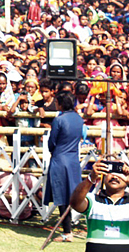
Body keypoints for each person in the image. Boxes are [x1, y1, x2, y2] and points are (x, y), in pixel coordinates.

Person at [70, 156, 129, 252]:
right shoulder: (92, 200)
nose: (114, 176)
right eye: (111, 172)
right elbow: (75, 203)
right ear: (103, 176)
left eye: (120, 173)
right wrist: (91, 177)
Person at [43, 90, 83, 242]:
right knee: (72, 195)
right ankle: (68, 230)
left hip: (60, 159)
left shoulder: (59, 120)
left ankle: (67, 232)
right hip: (73, 159)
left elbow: (51, 143)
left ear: (60, 103)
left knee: (62, 196)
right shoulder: (79, 119)